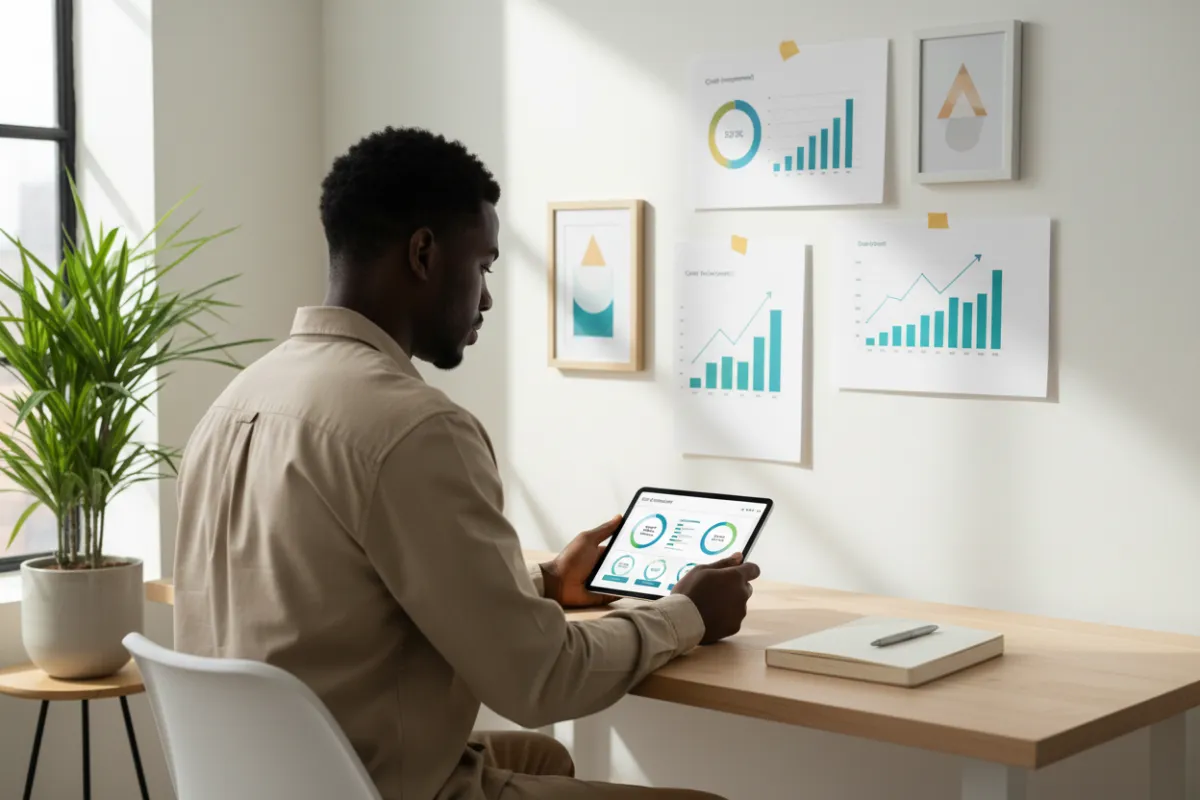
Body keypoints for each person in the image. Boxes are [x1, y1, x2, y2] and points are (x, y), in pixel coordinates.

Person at [172, 127, 760, 800]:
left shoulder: (234, 402)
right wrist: (688, 614)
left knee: (543, 762)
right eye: (482, 265)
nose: (485, 298)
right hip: (375, 786)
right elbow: (541, 681)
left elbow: (349, 598)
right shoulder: (415, 429)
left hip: (265, 778)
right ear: (423, 253)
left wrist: (542, 585)